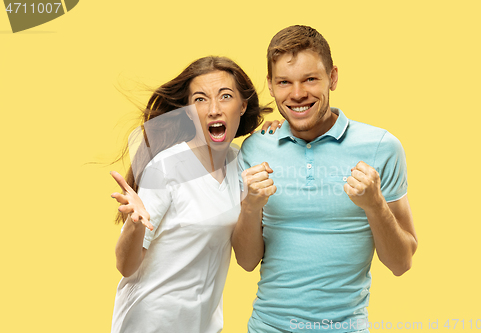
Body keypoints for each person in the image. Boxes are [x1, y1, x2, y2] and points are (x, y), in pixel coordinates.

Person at [232, 25, 418, 333]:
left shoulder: (382, 147)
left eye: (310, 79)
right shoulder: (255, 147)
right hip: (267, 327)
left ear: (332, 77)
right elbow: (246, 261)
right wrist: (251, 206)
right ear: (271, 85)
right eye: (284, 82)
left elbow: (401, 263)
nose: (297, 94)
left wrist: (374, 205)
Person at [108, 56, 282, 333]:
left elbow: (247, 261)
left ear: (242, 105)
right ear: (189, 111)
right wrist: (135, 224)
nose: (214, 109)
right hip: (149, 324)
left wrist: (274, 140)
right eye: (200, 99)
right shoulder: (166, 167)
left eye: (225, 96)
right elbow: (126, 266)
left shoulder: (240, 164)